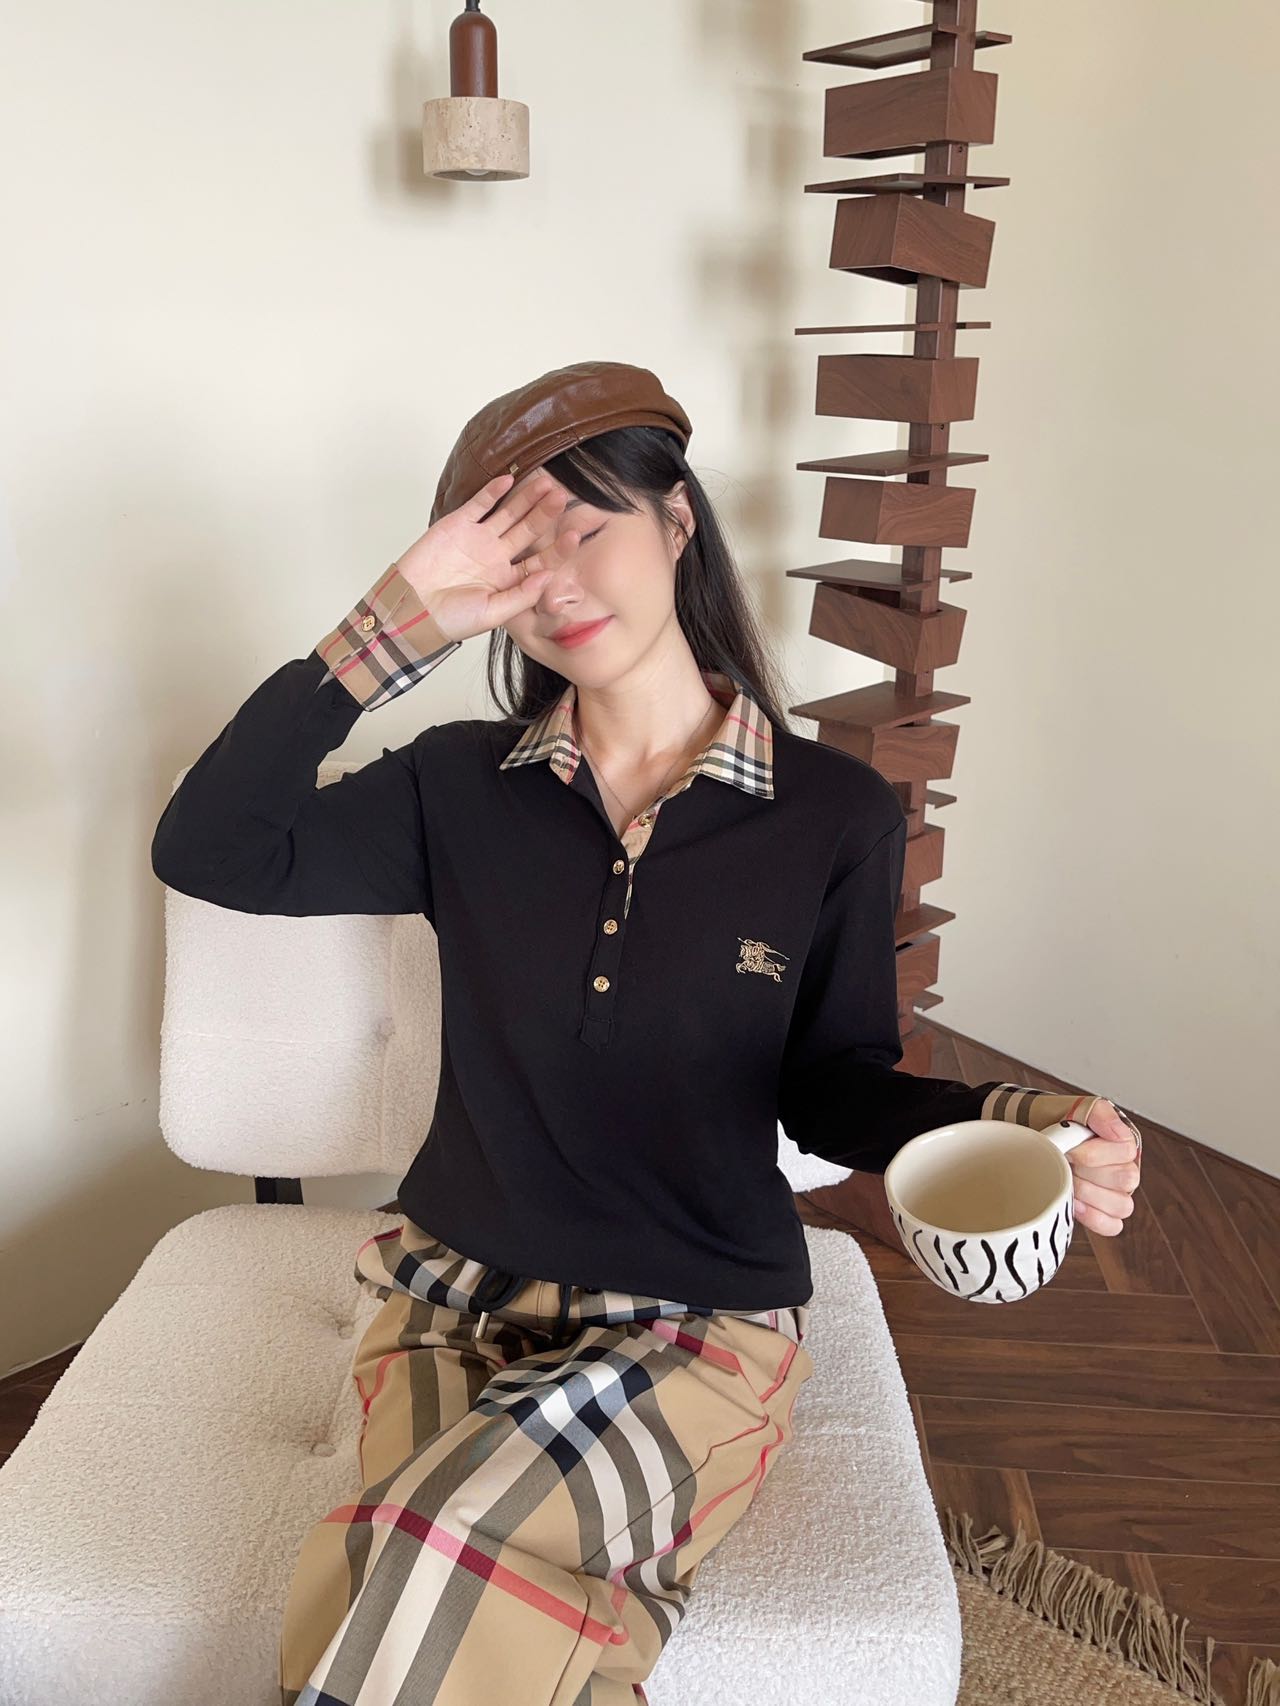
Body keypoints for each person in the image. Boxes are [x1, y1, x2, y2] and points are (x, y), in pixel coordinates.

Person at [150, 360, 1144, 1706]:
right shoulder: (456, 785)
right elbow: (212, 849)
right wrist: (389, 627)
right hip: (447, 1301)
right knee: (410, 1589)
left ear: (677, 520)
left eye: (585, 524)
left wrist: (1021, 1122)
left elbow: (835, 1087)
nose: (556, 578)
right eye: (515, 553)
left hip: (695, 1317)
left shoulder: (832, 816)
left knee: (433, 1547)